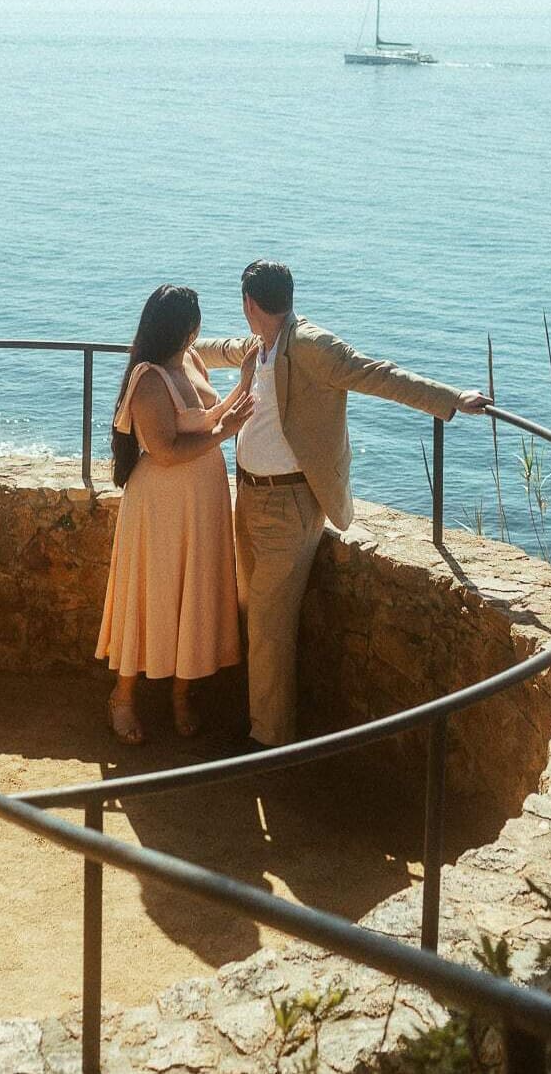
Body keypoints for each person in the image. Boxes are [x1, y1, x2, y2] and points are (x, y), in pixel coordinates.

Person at [195, 260, 491, 748]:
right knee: (250, 609)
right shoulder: (261, 346)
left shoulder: (309, 345)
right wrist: (169, 348)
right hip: (248, 495)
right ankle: (258, 720)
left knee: (269, 625)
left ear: (250, 303)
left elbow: (375, 373)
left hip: (288, 504)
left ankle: (267, 743)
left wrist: (452, 398)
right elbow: (219, 349)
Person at [95, 284, 257, 744]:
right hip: (162, 503)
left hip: (201, 497)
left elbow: (209, 417)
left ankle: (181, 696)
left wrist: (243, 385)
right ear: (178, 326)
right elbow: (164, 450)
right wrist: (225, 433)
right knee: (153, 593)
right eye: (192, 321)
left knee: (194, 590)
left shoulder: (189, 359)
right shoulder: (148, 378)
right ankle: (122, 698)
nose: (197, 329)